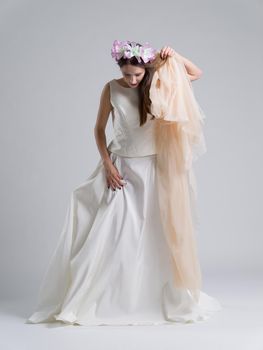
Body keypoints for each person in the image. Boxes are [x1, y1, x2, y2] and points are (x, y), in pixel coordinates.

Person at [26, 40, 222, 326]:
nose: (131, 80)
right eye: (127, 74)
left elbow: (196, 74)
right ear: (119, 68)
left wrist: (174, 55)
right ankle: (106, 298)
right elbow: (98, 129)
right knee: (113, 234)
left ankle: (151, 298)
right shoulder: (111, 88)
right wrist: (107, 165)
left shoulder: (159, 84)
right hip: (122, 170)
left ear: (146, 69)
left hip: (154, 170)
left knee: (157, 235)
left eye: (137, 75)